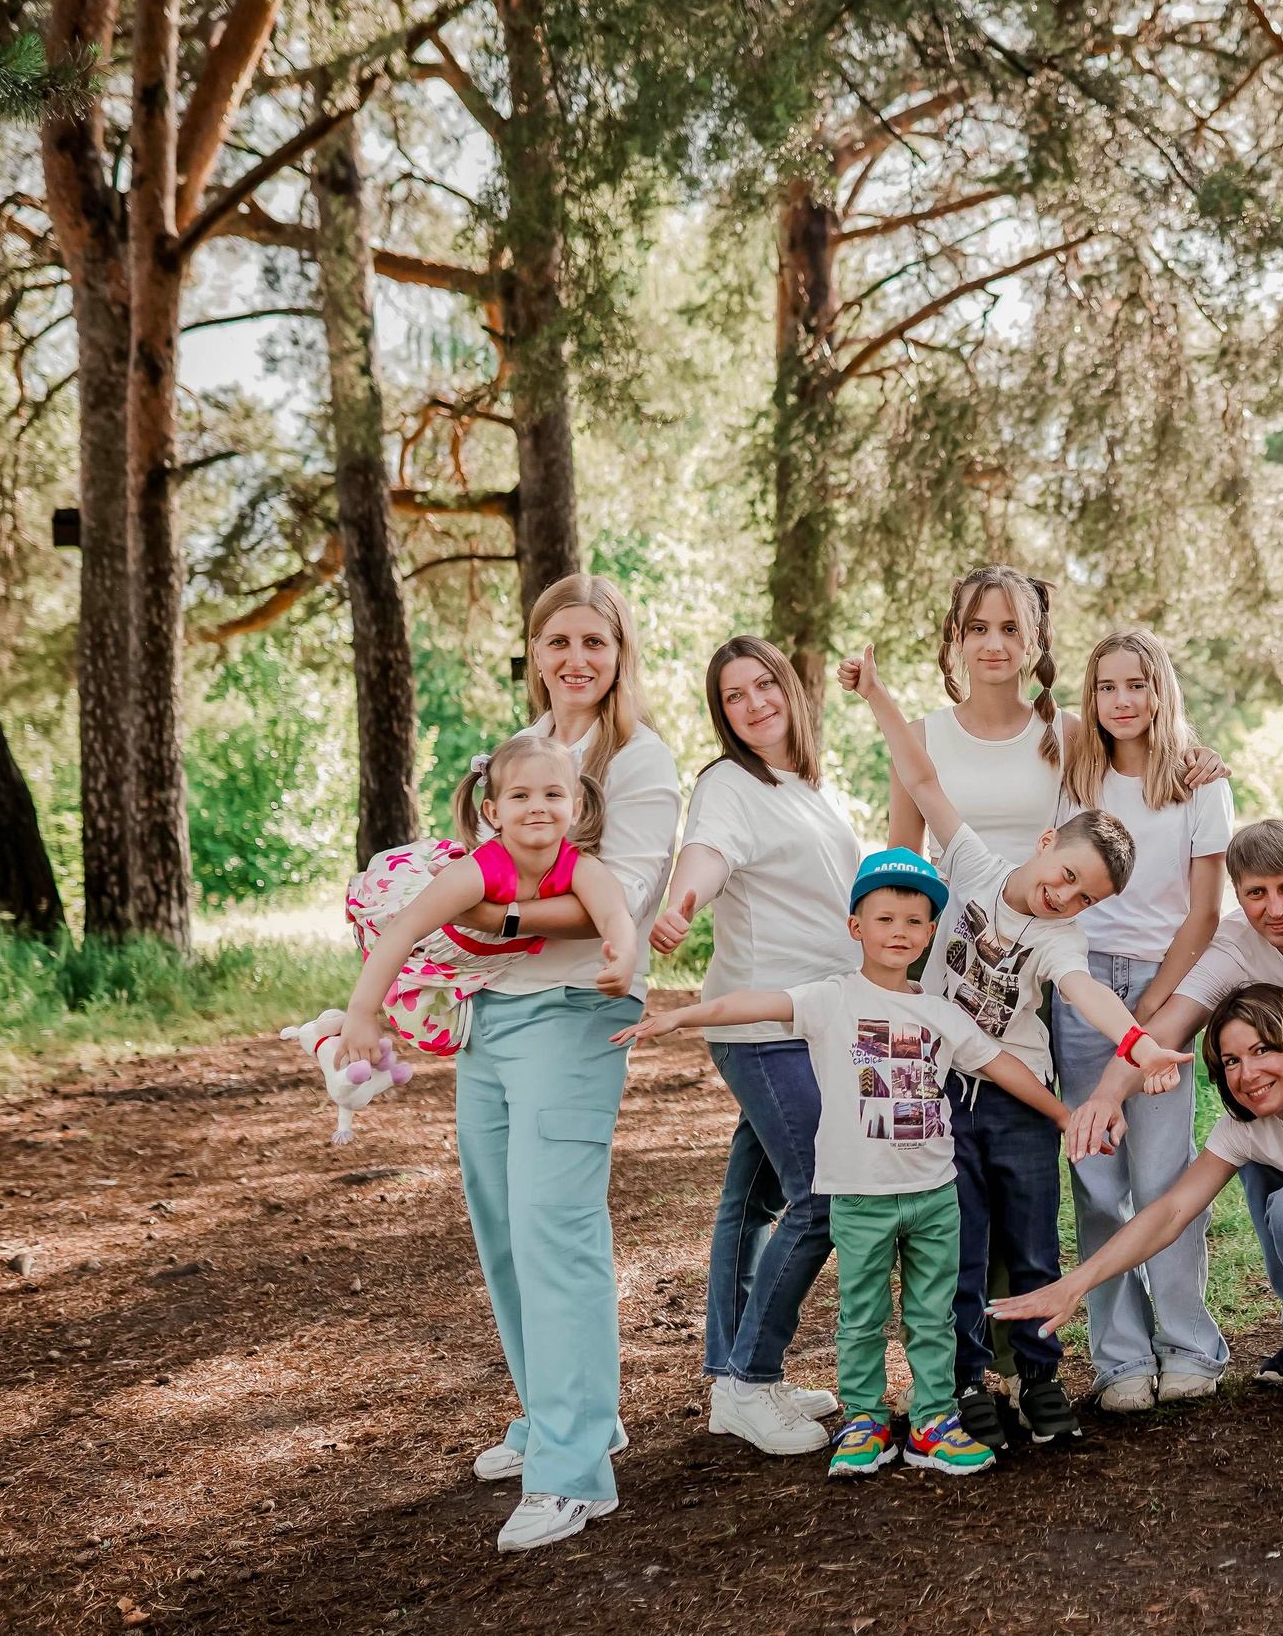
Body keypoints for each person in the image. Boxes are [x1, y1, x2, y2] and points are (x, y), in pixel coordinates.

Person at [837, 646, 1193, 1454]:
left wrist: (1140, 1043)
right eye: (1065, 873)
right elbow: (924, 780)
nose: (1062, 895)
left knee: (1032, 1245)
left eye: (1084, 897)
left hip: (1021, 1101)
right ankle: (966, 1381)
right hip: (941, 1098)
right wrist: (878, 694)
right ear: (1044, 842)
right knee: (955, 1249)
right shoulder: (976, 866)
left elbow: (1089, 994)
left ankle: (1037, 1375)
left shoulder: (1061, 938)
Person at [615, 848, 1069, 1478]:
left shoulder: (941, 1014)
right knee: (862, 1315)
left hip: (935, 1193)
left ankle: (933, 1420)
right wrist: (685, 1015)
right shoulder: (832, 1000)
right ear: (856, 927)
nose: (899, 933)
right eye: (885, 920)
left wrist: (1066, 1115)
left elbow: (1003, 1067)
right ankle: (865, 1419)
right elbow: (753, 1004)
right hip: (858, 1193)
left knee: (933, 1313)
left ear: (931, 932)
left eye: (914, 923)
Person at [442, 574, 679, 1553]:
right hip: (493, 1010)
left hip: (577, 1011)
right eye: (559, 642)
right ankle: (558, 1414)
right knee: (502, 1223)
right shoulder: (523, 752)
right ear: (534, 649)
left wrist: (481, 914)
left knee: (556, 1229)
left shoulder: (640, 761)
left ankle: (574, 1474)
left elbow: (615, 895)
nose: (576, 660)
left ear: (621, 653)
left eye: (596, 642)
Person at [1063, 817, 1283, 1388]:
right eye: (1256, 893)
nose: (1274, 908)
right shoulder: (1236, 944)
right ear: (1239, 896)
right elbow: (1170, 1025)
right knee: (1277, 1176)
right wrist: (1106, 1095)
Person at [993, 983, 1283, 1408]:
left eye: (1262, 1050)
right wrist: (1074, 1285)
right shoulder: (1247, 1127)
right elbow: (1171, 1212)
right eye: (1232, 1060)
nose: (1247, 1074)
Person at [646, 637, 859, 1456]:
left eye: (764, 684)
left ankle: (737, 1373)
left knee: (757, 1202)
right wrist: (682, 903)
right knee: (824, 1196)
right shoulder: (726, 783)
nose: (754, 702)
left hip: (815, 1020)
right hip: (763, 1026)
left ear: (790, 690)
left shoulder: (807, 784)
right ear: (722, 714)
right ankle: (749, 1381)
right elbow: (706, 855)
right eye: (734, 695)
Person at [1052, 628, 1236, 1416]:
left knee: (1164, 1174)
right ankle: (1120, 1356)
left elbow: (1204, 913)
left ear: (1162, 690)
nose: (1122, 700)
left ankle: (1189, 1343)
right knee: (1097, 1178)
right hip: (1080, 981)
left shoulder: (1199, 782)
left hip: (1170, 982)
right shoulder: (1075, 774)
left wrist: (1156, 1007)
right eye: (1106, 687)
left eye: (1137, 684)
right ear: (1090, 698)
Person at [334, 733, 639, 1073]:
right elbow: (405, 928)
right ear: (494, 813)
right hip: (428, 933)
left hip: (477, 953)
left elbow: (614, 912)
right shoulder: (479, 871)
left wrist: (625, 955)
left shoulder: (579, 866)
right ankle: (346, 1020)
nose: (538, 806)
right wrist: (361, 1012)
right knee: (401, 964)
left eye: (553, 794)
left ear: (575, 808)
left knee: (442, 1026)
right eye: (520, 796)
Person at [891, 565, 1071, 866]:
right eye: (979, 628)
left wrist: (1181, 757)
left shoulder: (1067, 732)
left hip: (1042, 914)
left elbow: (1134, 777)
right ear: (957, 637)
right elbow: (902, 863)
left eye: (1010, 629)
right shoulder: (919, 739)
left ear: (1032, 640)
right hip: (948, 913)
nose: (994, 645)